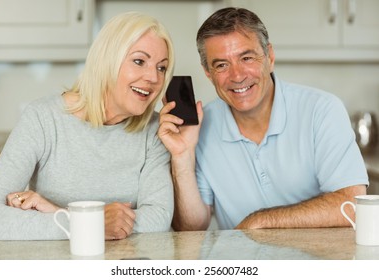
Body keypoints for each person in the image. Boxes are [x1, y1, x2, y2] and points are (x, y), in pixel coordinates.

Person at [158, 7, 368, 231]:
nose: (237, 76)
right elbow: (192, 229)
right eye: (221, 65)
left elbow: (352, 205)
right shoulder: (202, 127)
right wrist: (182, 156)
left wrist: (261, 221)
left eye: (247, 58)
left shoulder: (322, 110)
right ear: (208, 72)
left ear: (270, 57)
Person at [0, 11, 175, 240]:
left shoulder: (154, 129)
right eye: (139, 61)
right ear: (107, 59)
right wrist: (91, 224)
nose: (154, 78)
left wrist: (61, 214)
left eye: (161, 67)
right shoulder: (43, 118)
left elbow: (159, 217)